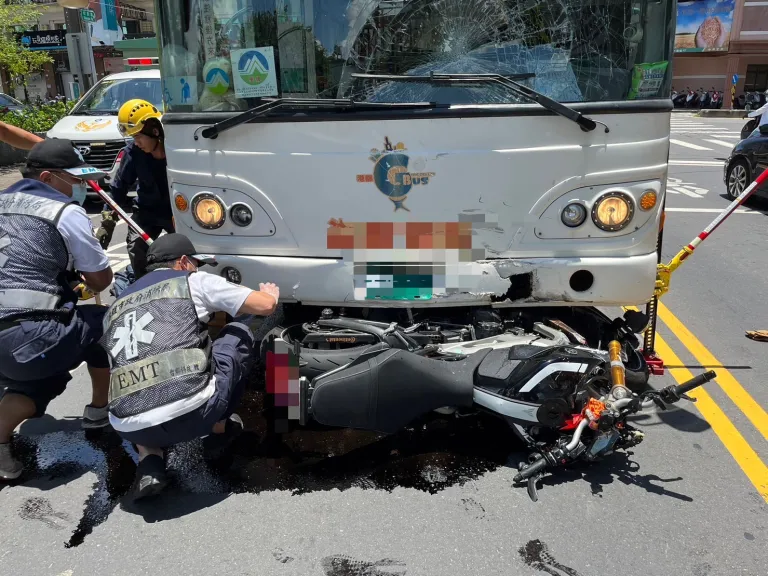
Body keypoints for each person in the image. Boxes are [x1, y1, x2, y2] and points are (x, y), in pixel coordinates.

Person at [100, 233, 280, 500]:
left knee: (139, 391)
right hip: (195, 414)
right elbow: (263, 306)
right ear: (184, 262)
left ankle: (150, 461)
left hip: (128, 425)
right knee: (237, 333)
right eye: (196, 263)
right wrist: (269, 294)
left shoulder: (117, 304)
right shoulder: (191, 281)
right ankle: (219, 430)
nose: (197, 268)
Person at [0, 138, 115, 480]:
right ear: (49, 178)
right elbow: (100, 279)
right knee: (108, 321)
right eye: (75, 179)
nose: (80, 187)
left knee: (41, 363)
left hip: (13, 331)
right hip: (23, 336)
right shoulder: (62, 212)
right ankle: (99, 409)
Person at [102, 99, 175, 278]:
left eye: (138, 137)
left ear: (154, 131)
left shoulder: (177, 150)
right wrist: (107, 221)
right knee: (136, 247)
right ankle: (144, 286)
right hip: (146, 210)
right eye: (133, 138)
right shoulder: (133, 153)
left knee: (186, 250)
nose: (136, 143)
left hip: (177, 212)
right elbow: (118, 188)